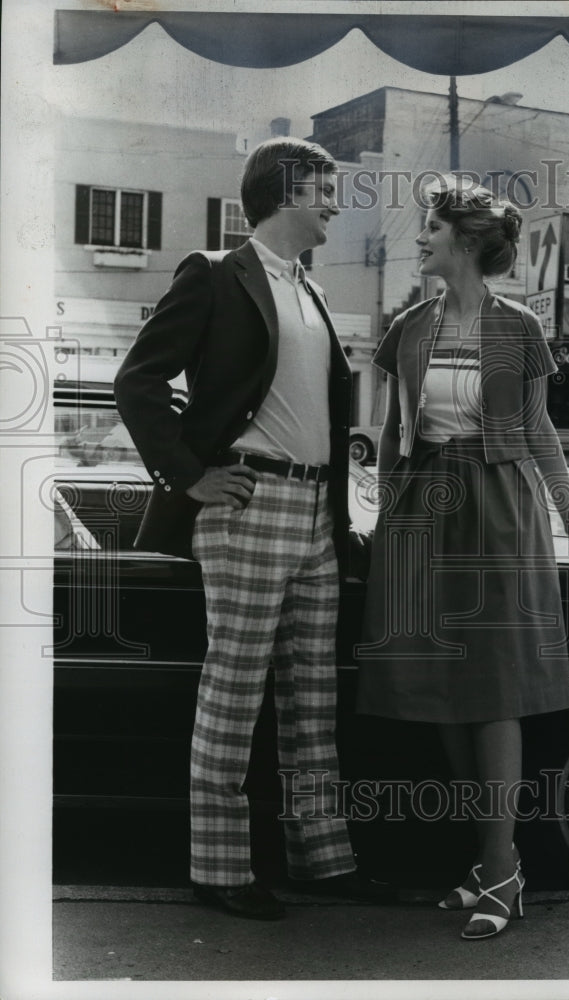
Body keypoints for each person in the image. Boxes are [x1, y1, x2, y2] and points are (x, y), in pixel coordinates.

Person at [115, 137, 389, 920]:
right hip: (245, 503)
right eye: (326, 188)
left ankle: (322, 860)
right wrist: (191, 474)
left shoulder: (311, 290)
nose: (338, 202)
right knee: (234, 689)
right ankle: (219, 867)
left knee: (311, 697)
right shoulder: (212, 273)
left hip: (312, 513)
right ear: (283, 192)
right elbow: (137, 382)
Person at [357, 176, 569, 940]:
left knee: (494, 690)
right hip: (420, 512)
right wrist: (377, 513)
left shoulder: (520, 328)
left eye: (430, 228)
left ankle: (500, 872)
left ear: (464, 243)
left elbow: (538, 436)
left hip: (499, 511)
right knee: (436, 687)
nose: (419, 238)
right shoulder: (407, 325)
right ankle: (491, 861)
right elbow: (387, 434)